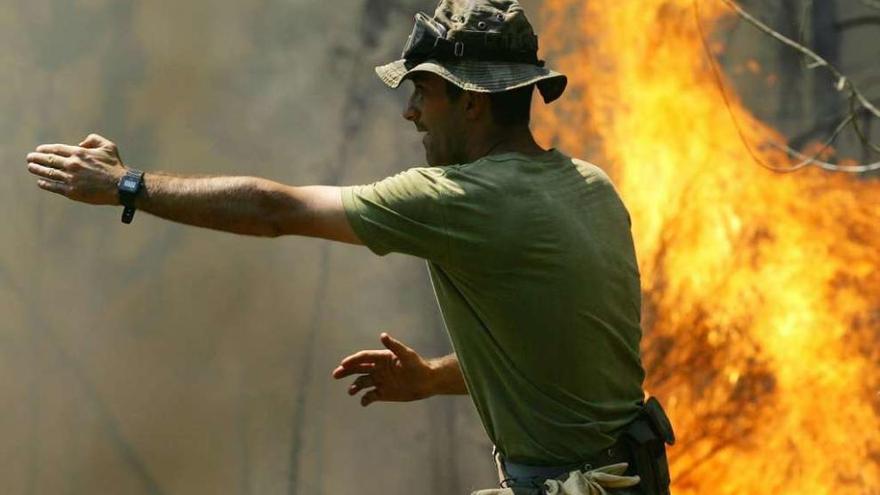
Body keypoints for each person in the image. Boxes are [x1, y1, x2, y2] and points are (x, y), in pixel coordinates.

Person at [24, 1, 673, 493]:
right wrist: (433, 377)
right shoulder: (591, 186)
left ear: (471, 102)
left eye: (423, 91)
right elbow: (556, 352)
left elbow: (278, 210)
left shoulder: (464, 199)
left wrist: (127, 186)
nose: (411, 112)